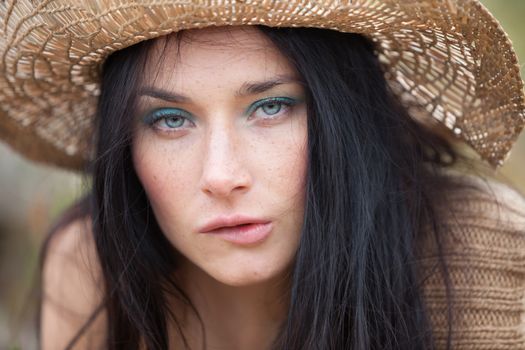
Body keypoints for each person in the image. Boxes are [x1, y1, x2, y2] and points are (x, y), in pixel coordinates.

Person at [1, 1, 524, 349]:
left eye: (271, 107)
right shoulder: (91, 266)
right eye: (170, 119)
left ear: (342, 116)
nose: (222, 175)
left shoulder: (486, 253)